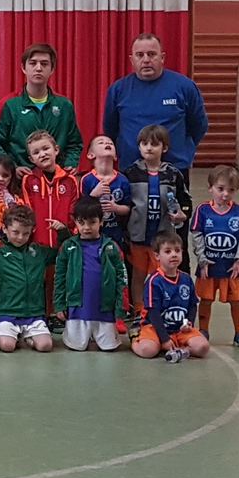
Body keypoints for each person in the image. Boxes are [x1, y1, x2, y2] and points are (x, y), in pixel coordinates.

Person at [103, 32, 208, 173]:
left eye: (152, 54)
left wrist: (182, 149)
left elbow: (198, 125)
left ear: (162, 58)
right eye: (140, 55)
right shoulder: (118, 90)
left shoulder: (185, 87)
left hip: (175, 169)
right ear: (132, 60)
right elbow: (110, 128)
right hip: (131, 169)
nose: (146, 60)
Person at [0, 43, 85, 173]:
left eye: (44, 64)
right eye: (33, 63)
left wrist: (70, 164)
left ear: (52, 69)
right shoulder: (8, 105)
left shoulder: (64, 105)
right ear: (23, 68)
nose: (38, 68)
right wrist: (12, 167)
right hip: (20, 180)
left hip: (57, 180)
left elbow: (74, 143)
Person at [122, 124, 191, 304]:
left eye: (154, 144)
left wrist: (183, 214)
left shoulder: (173, 174)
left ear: (164, 148)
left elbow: (185, 201)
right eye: (144, 144)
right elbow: (124, 202)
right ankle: (139, 311)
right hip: (138, 236)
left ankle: (161, 308)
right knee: (138, 275)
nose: (149, 148)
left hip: (163, 237)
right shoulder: (131, 173)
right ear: (139, 147)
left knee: (160, 275)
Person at [193, 165, 239, 349]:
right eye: (220, 189)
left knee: (236, 300)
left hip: (231, 268)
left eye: (231, 190)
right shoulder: (203, 211)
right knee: (206, 299)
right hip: (209, 266)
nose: (225, 194)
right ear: (210, 188)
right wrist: (202, 260)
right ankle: (203, 330)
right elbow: (197, 236)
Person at [54, 197, 129, 353]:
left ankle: (99, 336)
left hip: (105, 307)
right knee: (76, 347)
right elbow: (59, 278)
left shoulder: (111, 247)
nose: (86, 227)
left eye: (92, 222)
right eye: (81, 223)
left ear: (101, 222)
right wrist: (59, 305)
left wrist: (121, 307)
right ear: (75, 222)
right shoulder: (68, 247)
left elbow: (122, 278)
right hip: (77, 308)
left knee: (109, 348)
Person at [20, 130, 80, 314]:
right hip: (38, 244)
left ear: (56, 150)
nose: (42, 154)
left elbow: (75, 211)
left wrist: (68, 234)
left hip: (63, 242)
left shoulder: (70, 180)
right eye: (36, 152)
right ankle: (41, 315)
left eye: (46, 148)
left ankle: (58, 315)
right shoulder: (29, 180)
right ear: (31, 159)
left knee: (59, 280)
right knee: (38, 282)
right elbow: (27, 212)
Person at [0, 206, 56, 353]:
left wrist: (62, 232)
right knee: (7, 346)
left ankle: (27, 338)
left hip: (34, 314)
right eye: (15, 232)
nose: (20, 237)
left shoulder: (38, 252)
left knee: (45, 346)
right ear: (5, 229)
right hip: (7, 312)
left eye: (26, 233)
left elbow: (61, 253)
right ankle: (2, 332)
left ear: (32, 231)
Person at [132, 234, 208, 362]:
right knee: (148, 350)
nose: (174, 255)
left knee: (203, 347)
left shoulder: (186, 279)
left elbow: (192, 305)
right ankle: (135, 338)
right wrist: (165, 339)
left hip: (179, 329)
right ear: (157, 256)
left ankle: (182, 351)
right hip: (155, 327)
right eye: (168, 251)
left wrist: (188, 323)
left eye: (177, 251)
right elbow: (153, 313)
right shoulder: (154, 281)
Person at [82, 135, 133, 254]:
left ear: (115, 156)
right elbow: (81, 209)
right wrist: (93, 195)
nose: (107, 144)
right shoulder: (86, 180)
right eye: (101, 142)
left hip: (116, 234)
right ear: (90, 155)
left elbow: (128, 208)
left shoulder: (123, 180)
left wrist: (115, 208)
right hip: (92, 236)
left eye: (110, 143)